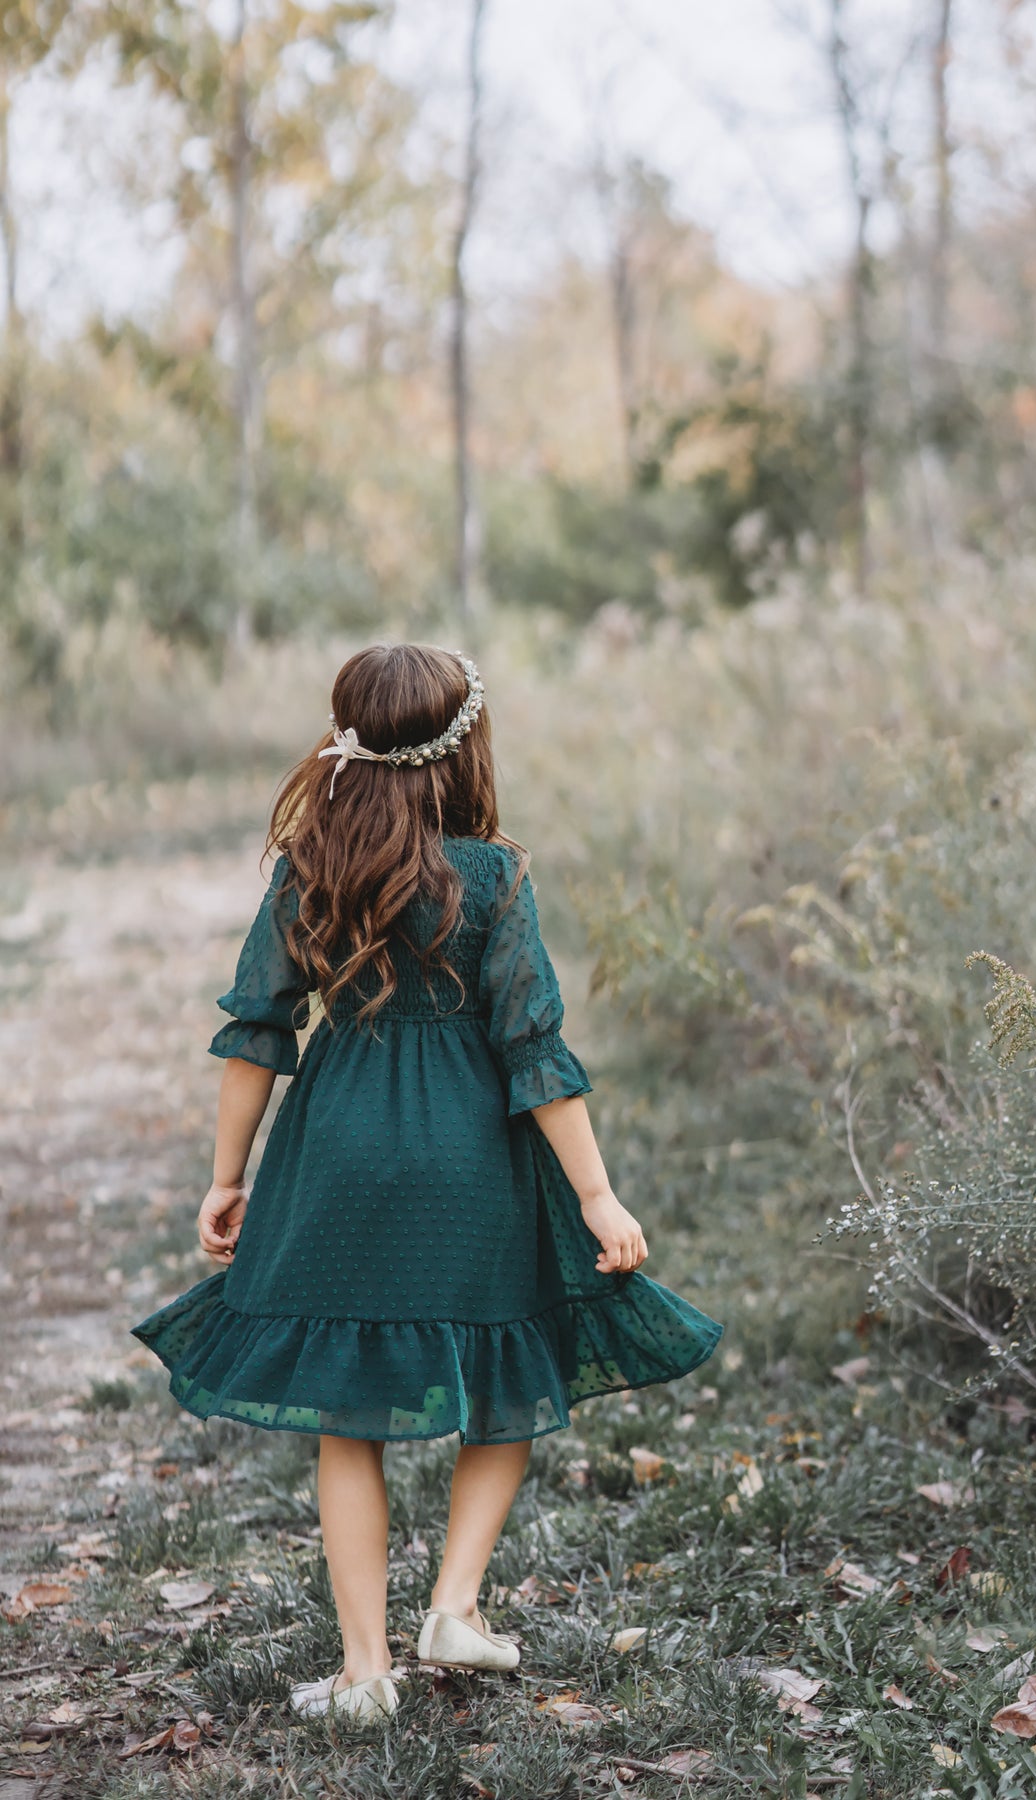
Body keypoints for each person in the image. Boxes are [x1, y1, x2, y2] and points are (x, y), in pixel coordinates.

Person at [129, 642, 724, 1723]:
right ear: (465, 748)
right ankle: (453, 1602)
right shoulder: (492, 878)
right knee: (513, 1355)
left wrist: (227, 1176)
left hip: (336, 1155)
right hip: (468, 1156)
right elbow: (535, 1048)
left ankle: (364, 1674)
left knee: (344, 1416)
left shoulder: (309, 867)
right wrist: (595, 1195)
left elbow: (256, 1031)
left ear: (349, 743)